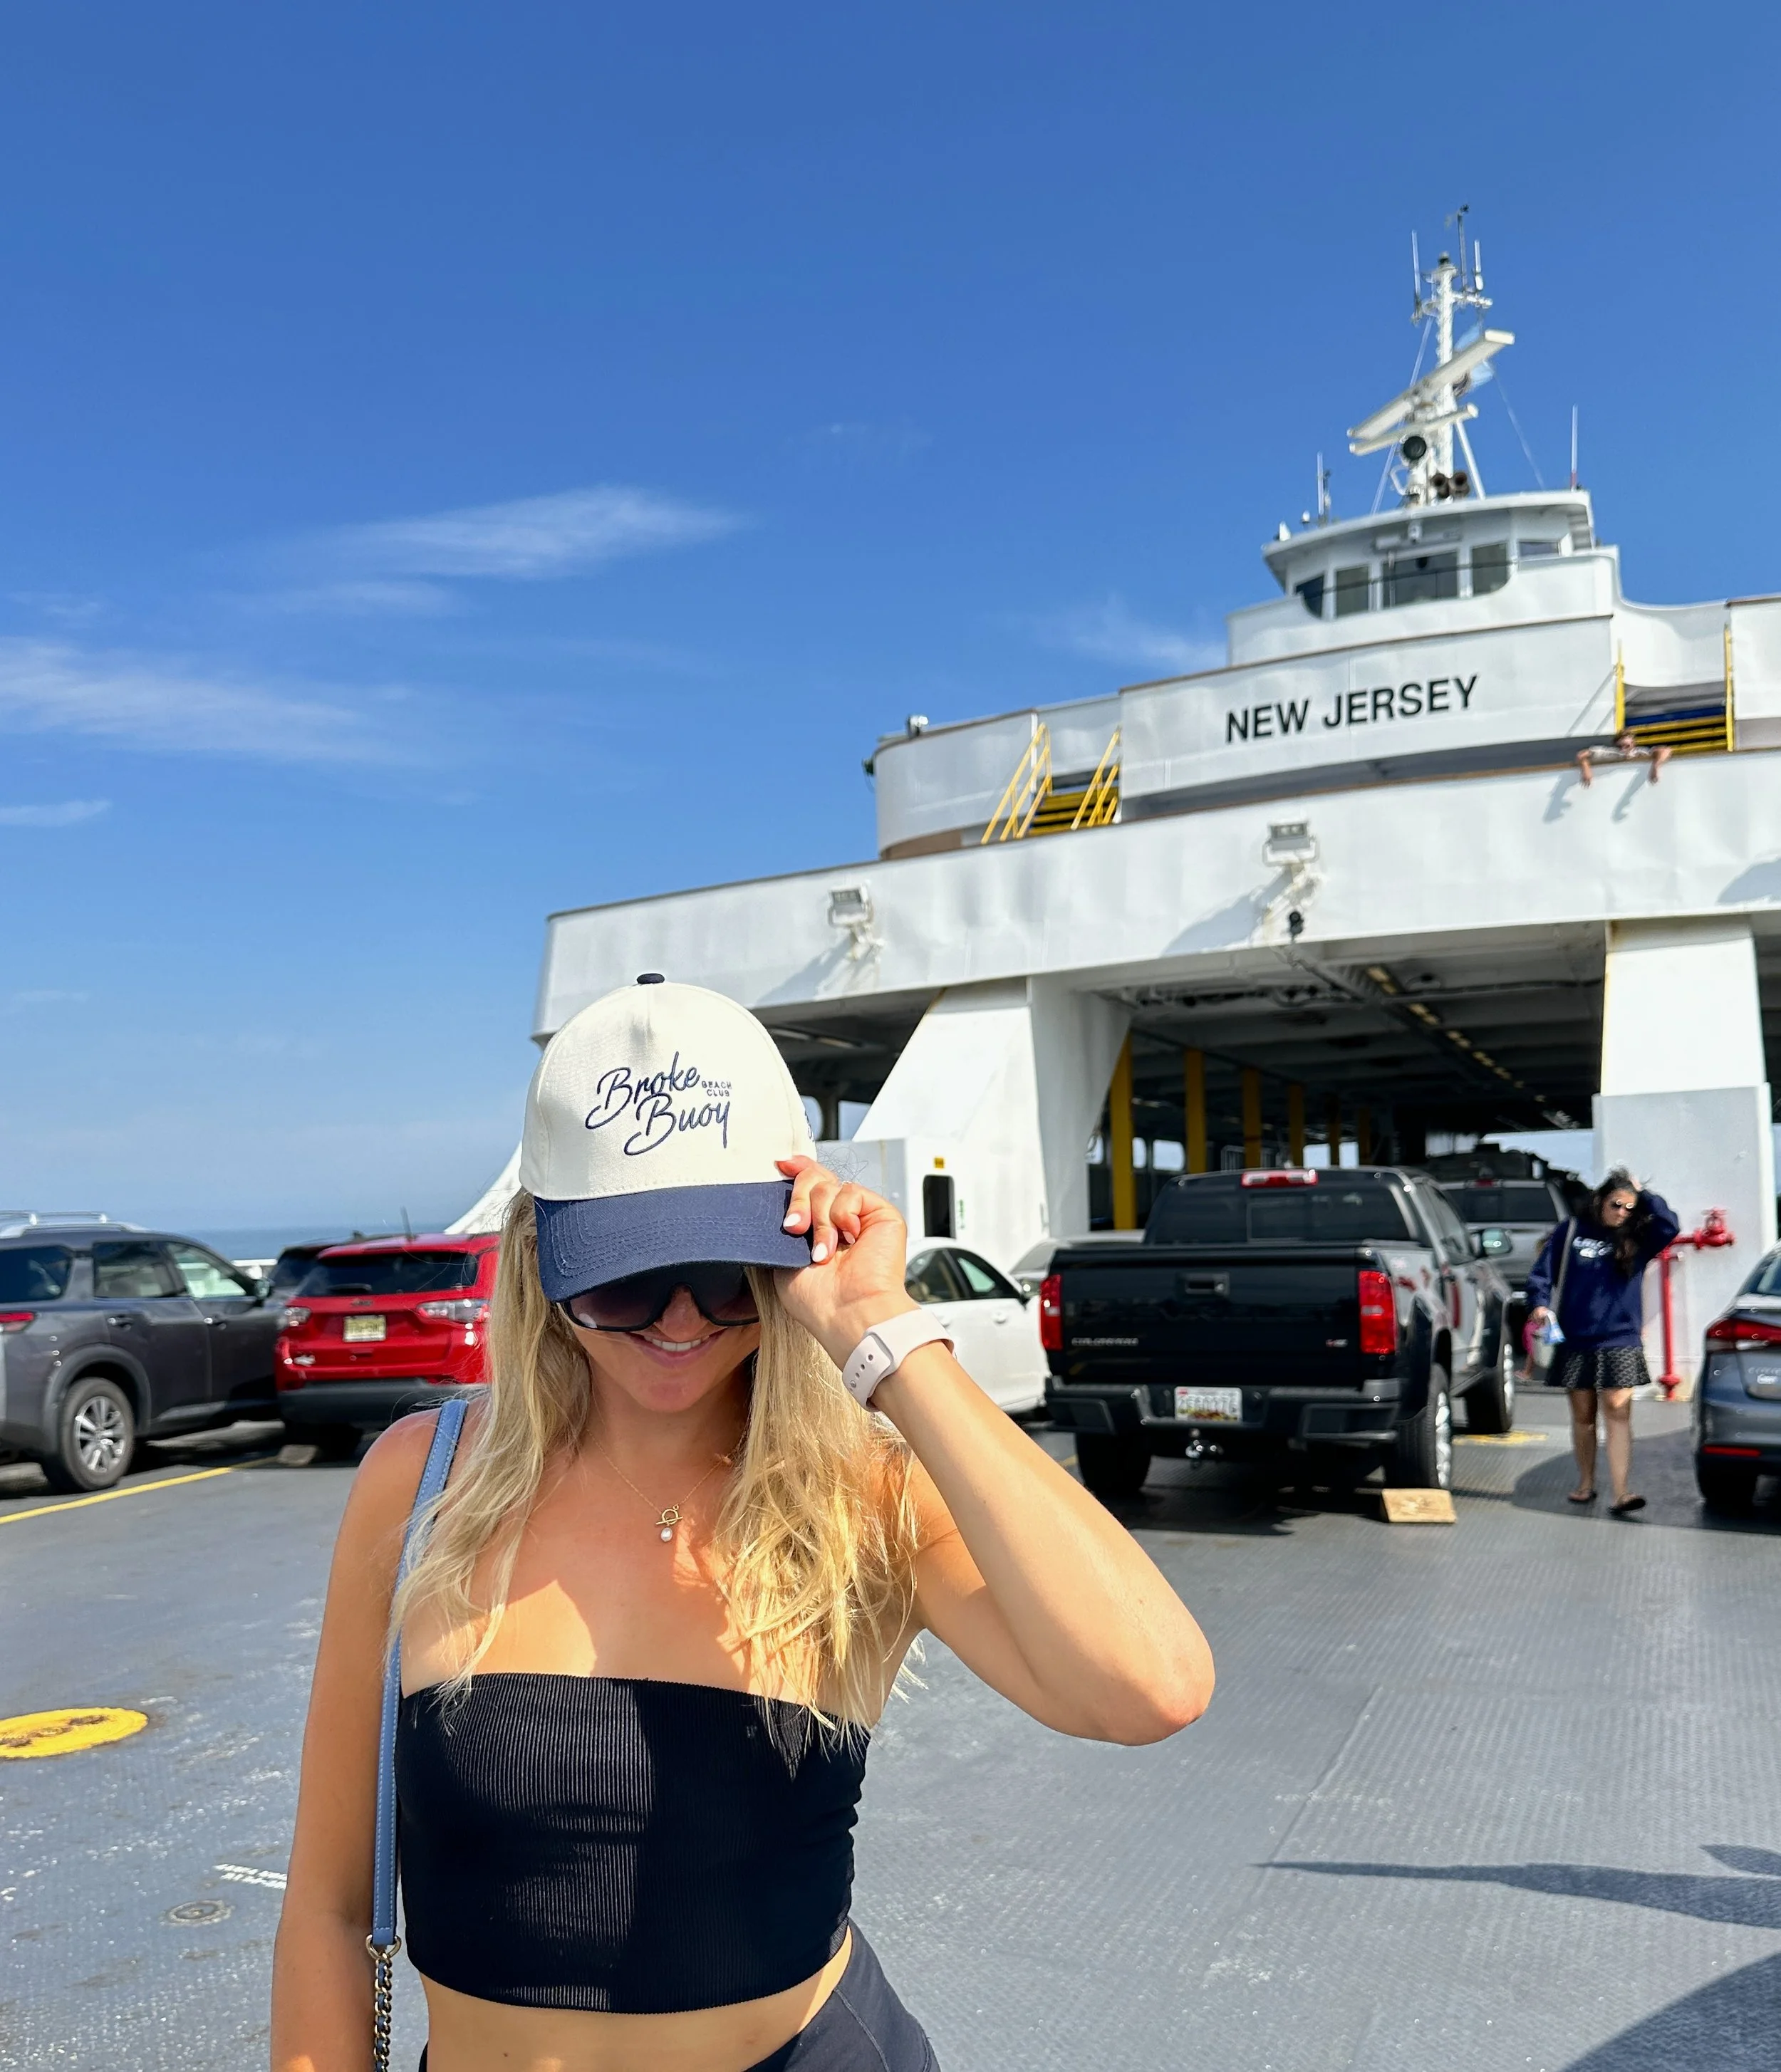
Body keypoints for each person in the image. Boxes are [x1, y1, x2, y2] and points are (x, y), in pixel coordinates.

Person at [271, 976, 1214, 2072]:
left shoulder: (861, 1498)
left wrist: (881, 1331)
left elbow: (1151, 1686)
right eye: (626, 1277)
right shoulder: (423, 1483)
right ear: (539, 1258)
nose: (680, 1319)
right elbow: (330, 1907)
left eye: (726, 1274)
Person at [1525, 1169, 1678, 1516]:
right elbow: (1543, 1271)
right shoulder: (1573, 1230)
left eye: (1629, 1207)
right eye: (1616, 1204)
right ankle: (1585, 1482)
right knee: (1584, 1417)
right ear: (1600, 1200)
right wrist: (1538, 1302)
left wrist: (1646, 1195)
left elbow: (1670, 1226)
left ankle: (1622, 1492)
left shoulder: (1639, 1237)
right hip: (1575, 1337)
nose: (1622, 1212)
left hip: (1620, 1338)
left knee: (1618, 1412)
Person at [1575, 729, 1671, 786]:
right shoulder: (1611, 753)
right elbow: (1582, 754)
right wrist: (1586, 769)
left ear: (1633, 744)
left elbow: (1665, 751)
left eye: (1627, 746)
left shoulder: (1640, 752)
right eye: (1620, 747)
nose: (1623, 750)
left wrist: (1655, 767)